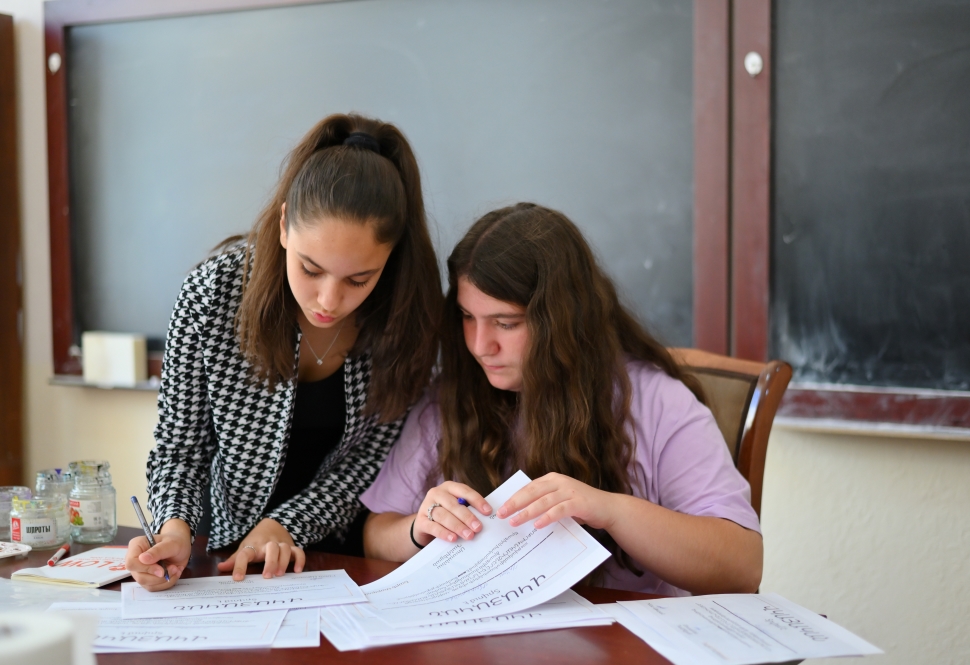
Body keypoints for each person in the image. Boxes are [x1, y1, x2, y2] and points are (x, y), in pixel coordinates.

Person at [362, 203, 762, 596]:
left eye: (506, 323)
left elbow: (741, 567)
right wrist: (419, 527)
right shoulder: (450, 397)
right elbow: (376, 534)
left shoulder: (659, 402)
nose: (481, 346)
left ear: (561, 320)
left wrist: (612, 511)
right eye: (468, 317)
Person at [125, 114, 442, 591]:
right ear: (283, 227)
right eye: (311, 269)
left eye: (359, 279)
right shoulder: (214, 294)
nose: (329, 301)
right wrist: (173, 529)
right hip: (218, 550)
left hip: (343, 557)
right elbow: (180, 447)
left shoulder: (404, 316)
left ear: (389, 262)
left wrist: (285, 526)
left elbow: (368, 463)